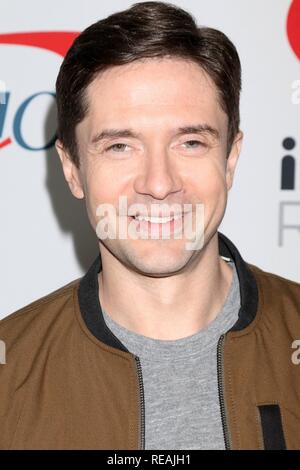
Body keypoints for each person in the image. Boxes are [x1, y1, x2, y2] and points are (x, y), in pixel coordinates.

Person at [0, 1, 299, 451]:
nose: (159, 184)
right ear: (72, 169)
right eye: (120, 146)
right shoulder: (10, 373)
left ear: (230, 159)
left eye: (191, 142)